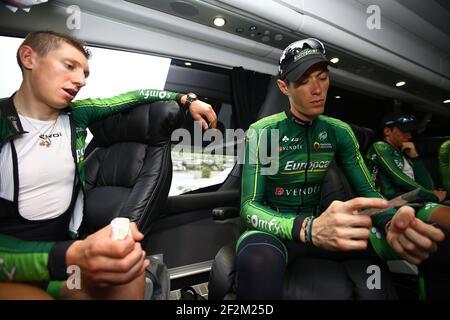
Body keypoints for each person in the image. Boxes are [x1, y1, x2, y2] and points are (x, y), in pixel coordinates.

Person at [0, 30, 217, 299]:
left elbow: (137, 96)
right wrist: (68, 255)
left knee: (130, 275)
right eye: (69, 66)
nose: (80, 81)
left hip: (66, 263)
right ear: (28, 58)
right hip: (12, 265)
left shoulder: (77, 116)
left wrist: (186, 100)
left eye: (85, 73)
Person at [236, 38, 448, 300]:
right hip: (274, 229)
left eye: (322, 77)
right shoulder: (264, 132)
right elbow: (249, 207)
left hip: (322, 228)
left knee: (437, 239)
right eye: (304, 81)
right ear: (284, 87)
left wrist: (390, 221)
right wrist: (305, 228)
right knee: (257, 260)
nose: (317, 89)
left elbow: (368, 190)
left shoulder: (339, 132)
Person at [366, 114, 450, 230]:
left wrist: (415, 157)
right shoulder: (380, 147)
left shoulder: (404, 153)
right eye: (404, 131)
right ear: (387, 131)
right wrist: (431, 195)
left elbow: (427, 186)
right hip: (390, 201)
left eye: (410, 132)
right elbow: (398, 178)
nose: (409, 135)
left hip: (410, 199)